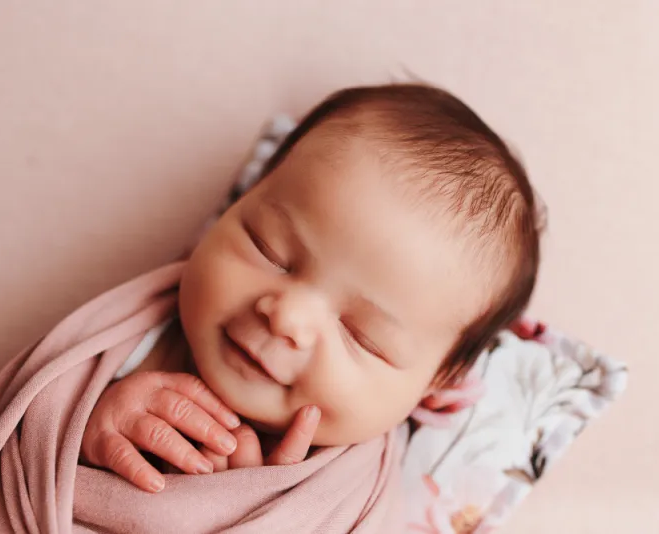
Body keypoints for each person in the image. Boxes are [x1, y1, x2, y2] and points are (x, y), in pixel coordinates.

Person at [79, 83, 542, 494]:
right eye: (270, 251)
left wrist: (260, 512)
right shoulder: (128, 337)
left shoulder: (355, 497)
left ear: (436, 384)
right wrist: (87, 424)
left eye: (361, 335)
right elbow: (19, 423)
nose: (287, 316)